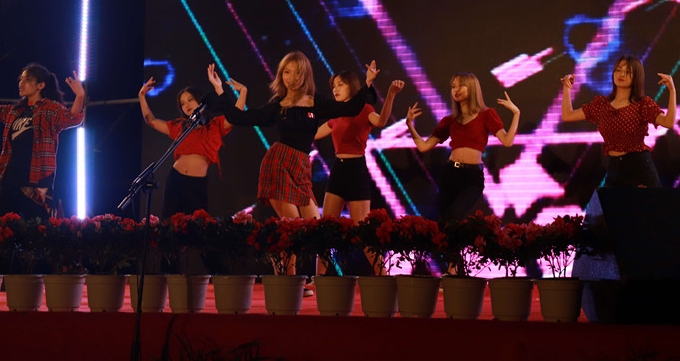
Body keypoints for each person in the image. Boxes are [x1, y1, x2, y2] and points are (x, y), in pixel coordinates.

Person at [209, 51, 380, 281]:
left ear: (305, 75)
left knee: (317, 228)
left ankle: (288, 276)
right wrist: (221, 91)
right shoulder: (278, 104)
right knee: (291, 226)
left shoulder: (316, 101)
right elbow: (241, 118)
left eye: (297, 72)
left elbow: (350, 108)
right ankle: (291, 281)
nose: (291, 77)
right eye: (286, 72)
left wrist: (368, 84)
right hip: (278, 163)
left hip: (301, 167)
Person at [314, 71, 404, 274]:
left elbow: (381, 121)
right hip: (338, 171)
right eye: (333, 86)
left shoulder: (364, 109)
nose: (335, 89)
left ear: (352, 86)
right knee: (325, 229)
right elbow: (314, 133)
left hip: (356, 171)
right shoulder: (336, 112)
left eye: (340, 84)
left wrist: (390, 95)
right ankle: (317, 278)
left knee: (363, 231)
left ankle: (383, 276)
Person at [406, 72, 520, 225]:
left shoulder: (487, 114)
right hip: (451, 173)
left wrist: (516, 114)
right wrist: (410, 126)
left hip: (472, 177)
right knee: (444, 221)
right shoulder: (449, 121)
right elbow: (423, 146)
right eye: (453, 87)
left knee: (454, 216)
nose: (456, 90)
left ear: (472, 88)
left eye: (461, 85)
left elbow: (507, 141)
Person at [0, 60, 86, 220]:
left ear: (40, 85)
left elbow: (71, 118)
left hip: (37, 182)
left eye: (27, 79)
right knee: (1, 227)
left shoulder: (48, 108)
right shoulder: (16, 110)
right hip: (11, 179)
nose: (21, 83)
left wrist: (80, 96)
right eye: (20, 79)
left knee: (40, 228)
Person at [138, 64, 247, 217]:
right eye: (182, 103)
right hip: (176, 179)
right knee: (170, 224)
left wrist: (242, 92)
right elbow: (151, 121)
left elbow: (236, 116)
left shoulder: (215, 126)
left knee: (196, 225)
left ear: (199, 100)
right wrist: (142, 96)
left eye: (190, 100)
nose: (186, 105)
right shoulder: (181, 127)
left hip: (197, 183)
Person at [560, 54, 676, 188]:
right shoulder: (601, 104)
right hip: (613, 168)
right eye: (618, 70)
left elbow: (668, 122)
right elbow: (567, 115)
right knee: (606, 201)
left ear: (636, 77)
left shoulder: (642, 104)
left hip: (638, 169)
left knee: (643, 203)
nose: (621, 74)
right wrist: (567, 88)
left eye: (628, 72)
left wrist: (672, 91)